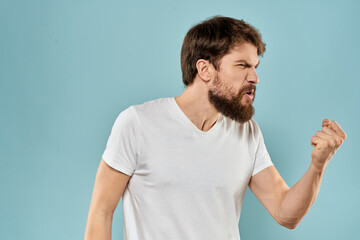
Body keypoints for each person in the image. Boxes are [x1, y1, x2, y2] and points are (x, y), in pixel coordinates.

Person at [84, 16, 347, 240]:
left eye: (255, 66)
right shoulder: (137, 123)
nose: (255, 78)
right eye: (242, 65)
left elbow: (285, 214)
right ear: (205, 69)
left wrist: (317, 165)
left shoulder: (248, 132)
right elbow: (101, 212)